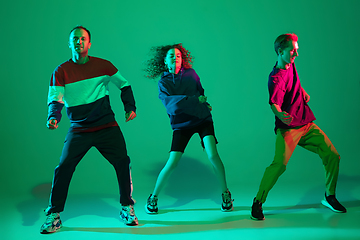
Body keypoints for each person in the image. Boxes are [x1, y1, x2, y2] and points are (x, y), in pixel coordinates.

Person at [40, 26, 138, 234]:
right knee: (64, 167)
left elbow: (124, 84)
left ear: (89, 43)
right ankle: (54, 215)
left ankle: (127, 207)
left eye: (83, 39)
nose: (79, 42)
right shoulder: (61, 71)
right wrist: (53, 117)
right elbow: (55, 99)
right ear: (70, 43)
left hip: (106, 126)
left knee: (122, 162)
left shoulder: (103, 65)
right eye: (75, 39)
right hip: (79, 129)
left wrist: (129, 107)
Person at [251, 33, 346, 220]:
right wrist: (279, 114)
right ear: (280, 52)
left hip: (306, 123)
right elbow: (274, 104)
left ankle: (329, 196)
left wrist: (302, 91)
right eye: (293, 51)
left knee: (332, 155)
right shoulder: (275, 79)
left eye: (297, 50)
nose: (296, 54)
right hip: (288, 129)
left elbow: (292, 81)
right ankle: (258, 202)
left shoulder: (291, 63)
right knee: (279, 165)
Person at [143, 43, 233, 214]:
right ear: (165, 61)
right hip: (181, 125)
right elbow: (172, 107)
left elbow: (200, 91)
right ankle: (153, 197)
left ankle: (225, 194)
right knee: (172, 162)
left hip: (202, 119)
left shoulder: (191, 74)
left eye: (178, 56)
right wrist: (194, 100)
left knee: (213, 154)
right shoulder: (163, 83)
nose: (175, 59)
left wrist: (203, 101)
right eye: (171, 56)